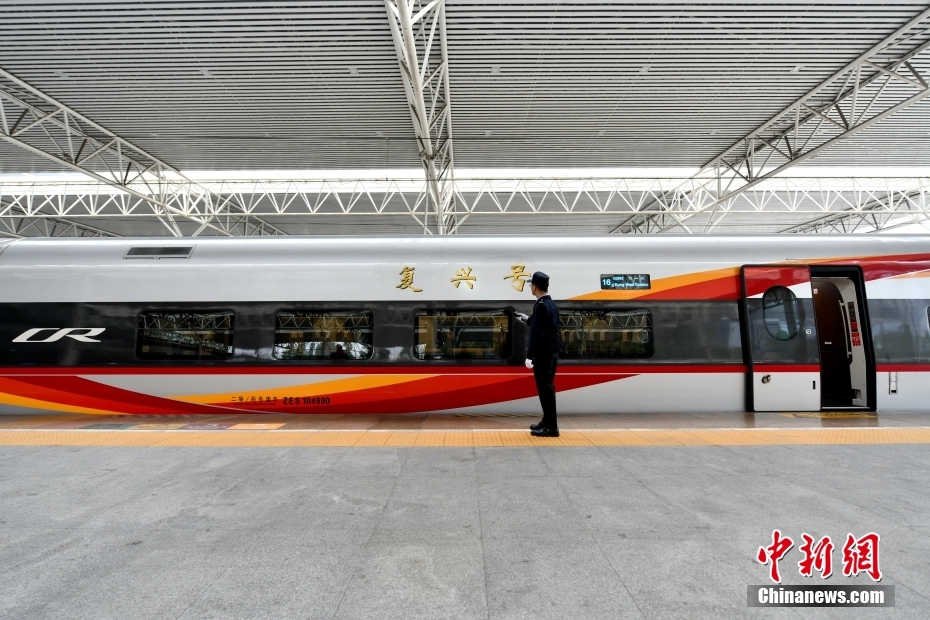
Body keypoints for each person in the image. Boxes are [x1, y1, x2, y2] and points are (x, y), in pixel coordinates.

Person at [519, 271, 561, 437]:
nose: (530, 287)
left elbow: (537, 334)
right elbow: (544, 326)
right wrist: (527, 319)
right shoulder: (551, 304)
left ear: (535, 287)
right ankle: (547, 420)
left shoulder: (541, 305)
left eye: (531, 285)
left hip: (543, 354)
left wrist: (530, 356)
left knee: (545, 389)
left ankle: (551, 426)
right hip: (552, 352)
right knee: (548, 388)